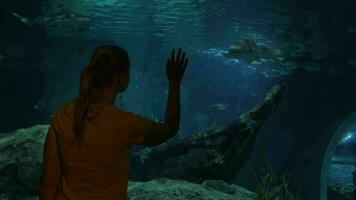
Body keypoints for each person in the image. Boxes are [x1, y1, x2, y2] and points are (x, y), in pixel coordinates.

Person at [39, 45, 188, 200]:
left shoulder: (63, 114)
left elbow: (49, 180)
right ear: (120, 78)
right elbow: (170, 128)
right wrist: (174, 83)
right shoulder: (126, 123)